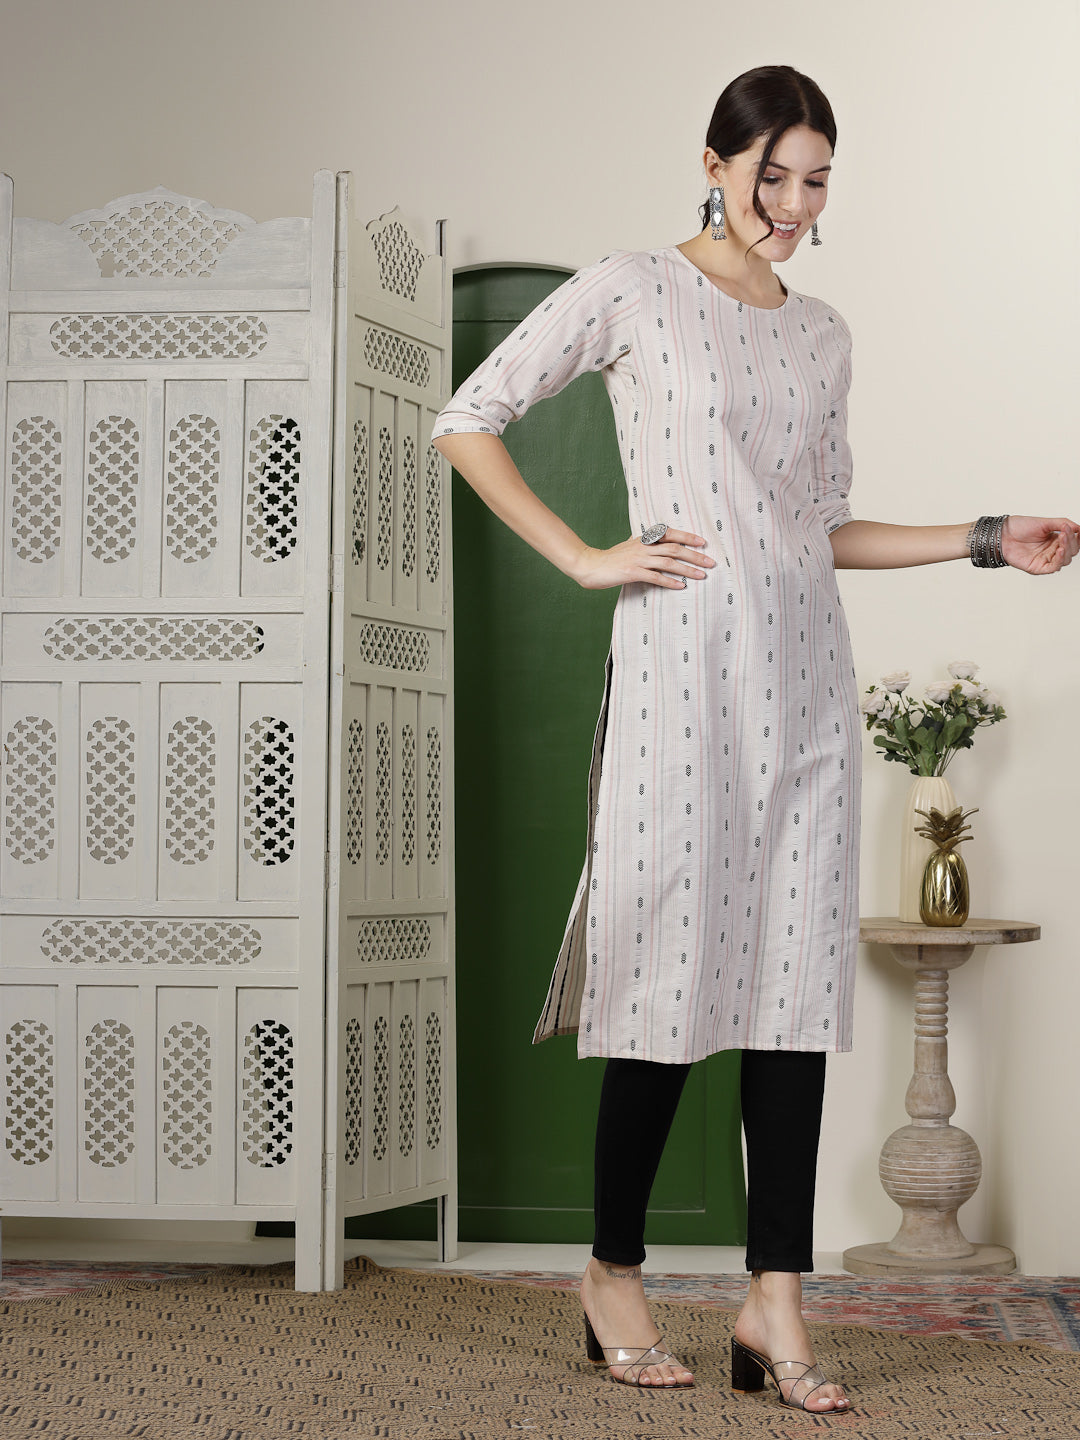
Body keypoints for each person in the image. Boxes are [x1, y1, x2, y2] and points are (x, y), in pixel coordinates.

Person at [432, 65, 1078, 1414]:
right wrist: (586, 558)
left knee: (793, 994)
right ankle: (613, 1274)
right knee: (664, 984)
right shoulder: (632, 288)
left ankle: (773, 1296)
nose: (791, 203)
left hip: (806, 686)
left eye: (815, 179)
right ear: (715, 164)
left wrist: (983, 537)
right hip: (680, 680)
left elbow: (819, 527)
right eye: (770, 174)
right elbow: (467, 418)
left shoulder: (824, 334)